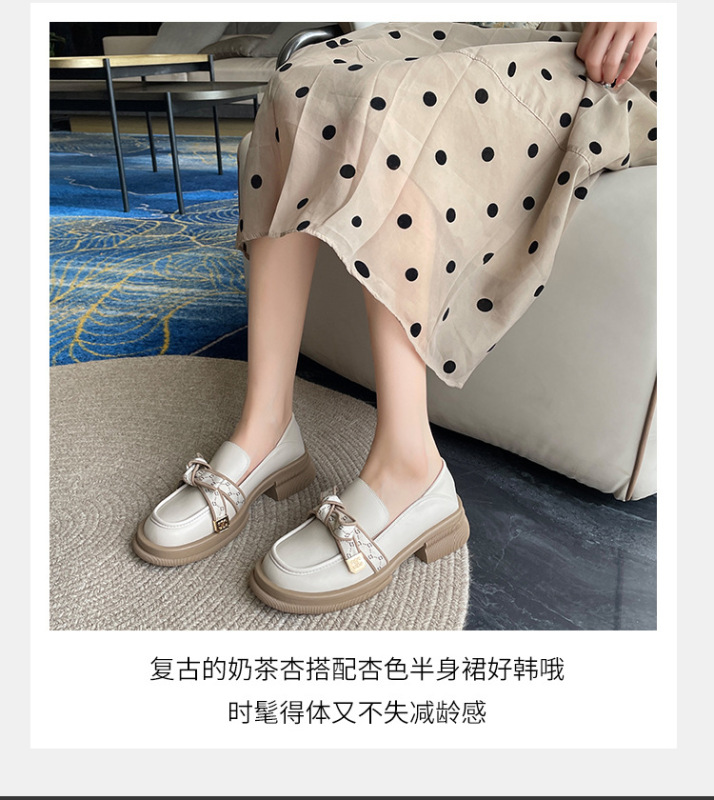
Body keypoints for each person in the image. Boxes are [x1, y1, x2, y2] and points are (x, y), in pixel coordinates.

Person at [132, 20, 657, 614]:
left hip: (637, 65)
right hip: (545, 29)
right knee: (298, 82)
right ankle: (266, 427)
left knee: (403, 108)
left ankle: (410, 464)